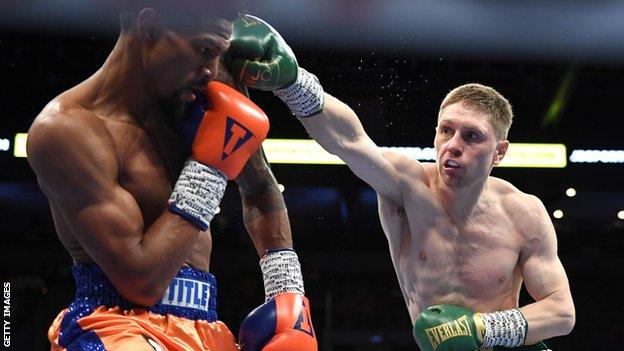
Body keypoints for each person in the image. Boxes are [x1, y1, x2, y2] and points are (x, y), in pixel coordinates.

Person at [224, 15, 575, 351]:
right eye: (446, 130)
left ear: (499, 152)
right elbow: (350, 141)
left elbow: (561, 311)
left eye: (471, 136)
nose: (453, 145)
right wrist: (293, 83)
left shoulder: (523, 212)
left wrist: (482, 329)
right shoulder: (407, 187)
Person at [27, 3, 317, 350]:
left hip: (205, 327)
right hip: (117, 326)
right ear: (149, 28)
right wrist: (209, 169)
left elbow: (259, 188)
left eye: (218, 53)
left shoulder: (203, 88)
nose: (212, 69)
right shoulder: (67, 131)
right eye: (205, 50)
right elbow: (141, 283)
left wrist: (288, 296)